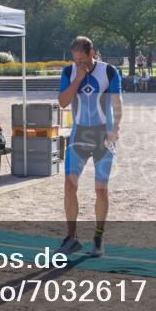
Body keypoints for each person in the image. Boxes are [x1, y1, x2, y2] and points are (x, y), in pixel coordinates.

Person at [56, 36, 122, 258]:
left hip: (104, 134)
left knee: (100, 189)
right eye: (76, 60)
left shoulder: (109, 71)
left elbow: (116, 102)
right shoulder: (69, 72)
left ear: (91, 52)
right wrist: (79, 77)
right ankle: (71, 237)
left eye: (82, 59)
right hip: (79, 133)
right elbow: (63, 102)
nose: (79, 63)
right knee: (69, 185)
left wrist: (116, 128)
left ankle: (98, 237)